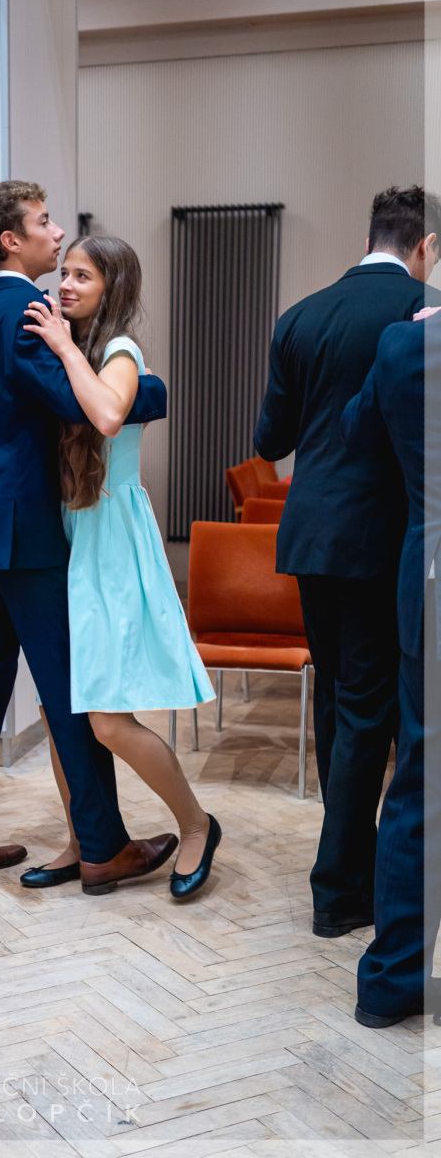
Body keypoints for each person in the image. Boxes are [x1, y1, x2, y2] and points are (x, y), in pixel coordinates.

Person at [0, 180, 175, 895]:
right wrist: (152, 390)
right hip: (25, 529)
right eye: (44, 221)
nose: (58, 231)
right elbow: (82, 404)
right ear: (12, 240)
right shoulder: (28, 313)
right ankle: (103, 847)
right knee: (70, 687)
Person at [254, 185, 441, 940]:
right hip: (381, 537)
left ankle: (350, 869)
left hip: (308, 533)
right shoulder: (422, 313)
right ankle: (338, 888)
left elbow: (270, 440)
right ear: (426, 246)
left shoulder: (300, 316)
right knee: (370, 710)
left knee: (337, 700)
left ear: (369, 240)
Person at [19, 236, 219, 898]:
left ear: (113, 287)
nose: (66, 284)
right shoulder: (65, 353)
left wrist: (63, 346)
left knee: (107, 720)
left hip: (110, 540)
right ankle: (86, 839)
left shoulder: (120, 352)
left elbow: (108, 415)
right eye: (66, 272)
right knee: (61, 710)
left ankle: (196, 824)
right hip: (66, 535)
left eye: (83, 276)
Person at [341, 307, 441, 1028]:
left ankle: (390, 979)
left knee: (418, 786)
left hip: (425, 581)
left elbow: (356, 432)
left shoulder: (405, 343)